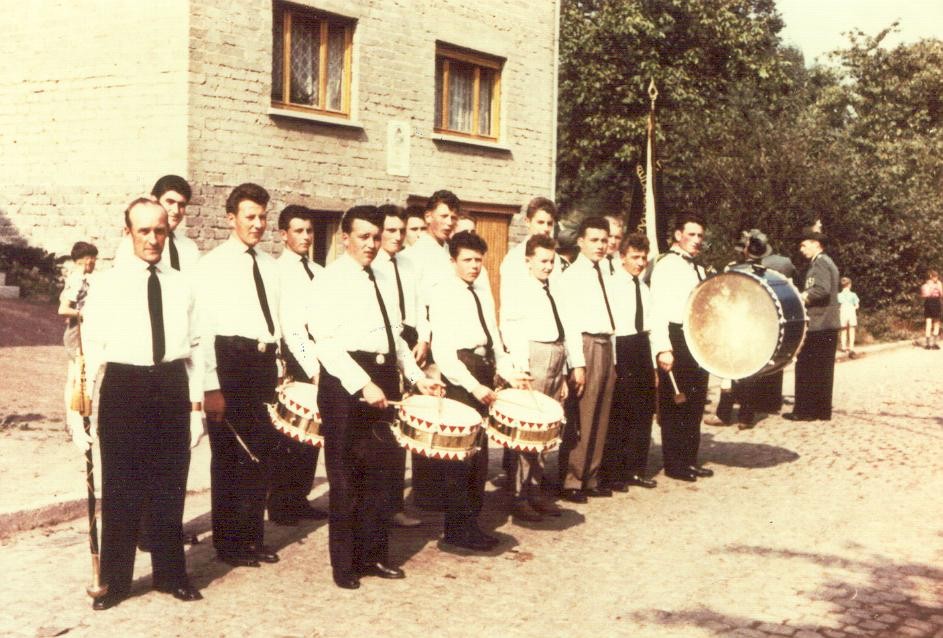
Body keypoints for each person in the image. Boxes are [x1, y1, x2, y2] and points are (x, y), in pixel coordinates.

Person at [71, 197, 204, 610]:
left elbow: (197, 347)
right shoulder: (107, 284)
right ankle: (115, 581)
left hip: (169, 385)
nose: (152, 239)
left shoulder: (182, 283)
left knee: (169, 487)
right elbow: (90, 352)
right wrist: (81, 413)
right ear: (127, 232)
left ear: (169, 232)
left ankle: (170, 574)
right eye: (143, 230)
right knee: (122, 489)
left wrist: (196, 407)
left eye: (159, 230)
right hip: (124, 387)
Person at [309, 205, 442, 589]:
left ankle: (374, 556)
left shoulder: (384, 275)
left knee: (382, 476)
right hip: (346, 382)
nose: (371, 244)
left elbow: (396, 337)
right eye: (363, 237)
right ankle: (345, 565)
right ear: (344, 238)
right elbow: (326, 342)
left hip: (384, 374)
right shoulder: (329, 280)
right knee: (347, 478)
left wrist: (417, 379)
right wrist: (362, 383)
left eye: (375, 236)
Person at [196, 183, 283, 568]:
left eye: (263, 216)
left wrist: (294, 364)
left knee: (260, 456)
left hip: (264, 365)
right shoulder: (212, 265)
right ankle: (228, 544)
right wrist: (211, 386)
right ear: (231, 218)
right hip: (230, 363)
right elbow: (204, 331)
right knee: (230, 457)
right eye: (250, 216)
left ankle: (253, 537)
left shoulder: (269, 264)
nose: (258, 224)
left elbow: (285, 324)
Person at [430, 230, 527, 549]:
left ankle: (471, 522)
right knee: (462, 456)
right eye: (467, 260)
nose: (474, 266)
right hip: (461, 377)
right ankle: (457, 529)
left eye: (478, 260)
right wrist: (473, 386)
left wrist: (509, 372)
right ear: (452, 261)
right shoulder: (444, 294)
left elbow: (494, 338)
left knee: (479, 456)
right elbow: (443, 353)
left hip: (483, 368)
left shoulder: (481, 290)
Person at [500, 234, 576, 520]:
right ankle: (518, 495)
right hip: (534, 359)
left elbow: (562, 331)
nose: (547, 266)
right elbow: (510, 328)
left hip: (556, 357)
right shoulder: (520, 290)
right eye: (542, 261)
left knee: (547, 431)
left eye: (551, 261)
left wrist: (566, 373)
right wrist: (521, 367)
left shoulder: (552, 289)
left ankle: (535, 490)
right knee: (529, 429)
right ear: (528, 261)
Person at [267, 205, 327, 526]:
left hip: (319, 354)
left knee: (313, 432)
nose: (305, 237)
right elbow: (291, 327)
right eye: (298, 231)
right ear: (283, 235)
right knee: (292, 432)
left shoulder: (319, 271)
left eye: (309, 231)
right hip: (296, 356)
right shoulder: (279, 272)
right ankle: (281, 503)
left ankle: (299, 497)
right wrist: (311, 367)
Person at [556, 216, 618, 502]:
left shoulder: (605, 270)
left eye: (604, 240)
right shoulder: (573, 276)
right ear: (580, 241)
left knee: (602, 412)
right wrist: (577, 363)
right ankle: (572, 479)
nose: (601, 246)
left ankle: (591, 476)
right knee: (583, 414)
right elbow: (570, 323)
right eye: (594, 240)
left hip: (606, 344)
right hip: (586, 344)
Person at [650, 214, 714, 482]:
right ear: (678, 235)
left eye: (700, 236)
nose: (697, 241)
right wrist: (663, 347)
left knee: (696, 401)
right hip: (676, 338)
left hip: (696, 338)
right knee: (677, 401)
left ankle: (689, 458)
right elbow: (658, 310)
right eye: (692, 235)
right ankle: (675, 463)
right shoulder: (666, 266)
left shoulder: (696, 267)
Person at [373, 204, 422, 528]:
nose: (396, 237)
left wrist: (424, 339)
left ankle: (394, 506)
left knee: (401, 433)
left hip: (410, 346)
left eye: (400, 231)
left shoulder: (409, 263)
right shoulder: (371, 267)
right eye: (389, 230)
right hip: (381, 352)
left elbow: (419, 305)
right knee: (379, 437)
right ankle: (377, 507)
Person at [600, 232, 659, 490]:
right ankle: (613, 472)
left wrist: (654, 364)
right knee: (619, 413)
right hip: (621, 348)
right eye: (635, 257)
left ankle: (636, 469)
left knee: (643, 412)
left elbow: (652, 326)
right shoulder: (612, 286)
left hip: (641, 348)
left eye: (644, 257)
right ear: (621, 257)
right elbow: (610, 328)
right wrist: (612, 362)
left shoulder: (644, 287)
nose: (640, 262)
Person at [784, 230, 841, 421]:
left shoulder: (820, 263)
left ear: (816, 244)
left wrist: (801, 297)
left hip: (819, 323)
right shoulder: (827, 262)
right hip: (828, 324)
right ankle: (821, 411)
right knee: (823, 370)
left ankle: (805, 411)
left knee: (807, 368)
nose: (801, 249)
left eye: (804, 245)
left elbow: (821, 290)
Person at [114, 175, 199, 270]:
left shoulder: (190, 247)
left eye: (181, 205)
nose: (176, 211)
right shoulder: (133, 245)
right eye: (170, 202)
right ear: (154, 201)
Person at [837, 277, 860, 358]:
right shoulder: (853, 295)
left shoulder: (838, 295)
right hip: (850, 311)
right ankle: (851, 347)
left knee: (843, 330)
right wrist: (853, 308)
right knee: (851, 329)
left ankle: (843, 347)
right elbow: (857, 306)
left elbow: (837, 306)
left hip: (843, 311)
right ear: (849, 285)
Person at [920, 270, 941, 350]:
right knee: (932, 322)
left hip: (932, 302)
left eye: (937, 276)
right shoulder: (933, 284)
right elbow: (941, 294)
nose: (936, 278)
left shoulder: (928, 284)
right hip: (932, 302)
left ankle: (931, 344)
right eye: (935, 276)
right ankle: (931, 344)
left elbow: (942, 294)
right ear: (931, 276)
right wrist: (934, 289)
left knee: (932, 322)